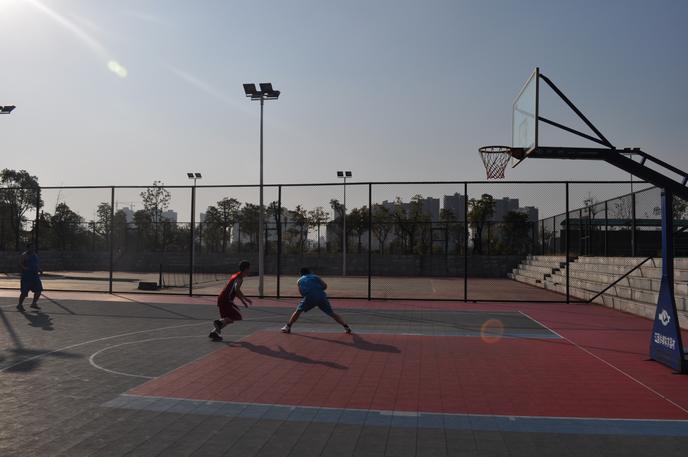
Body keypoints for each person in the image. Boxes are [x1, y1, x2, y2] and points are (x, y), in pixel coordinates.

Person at [281, 267, 351, 334]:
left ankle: (288, 327)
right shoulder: (316, 277)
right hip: (321, 297)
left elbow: (302, 293)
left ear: (301, 273)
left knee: (298, 311)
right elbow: (325, 286)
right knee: (332, 313)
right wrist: (318, 290)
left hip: (310, 297)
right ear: (309, 272)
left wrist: (310, 295)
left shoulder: (299, 280)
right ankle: (346, 327)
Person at [209, 260, 252, 341]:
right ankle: (218, 322)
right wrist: (245, 299)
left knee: (228, 320)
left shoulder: (236, 275)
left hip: (223, 299)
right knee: (237, 316)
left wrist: (243, 301)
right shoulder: (239, 278)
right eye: (249, 268)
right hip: (226, 300)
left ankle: (214, 333)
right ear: (246, 269)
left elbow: (235, 291)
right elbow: (237, 290)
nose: (250, 270)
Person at [17, 243, 42, 312]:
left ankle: (34, 303)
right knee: (24, 292)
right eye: (31, 247)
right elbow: (20, 264)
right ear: (28, 248)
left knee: (38, 290)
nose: (33, 248)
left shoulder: (35, 255)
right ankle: (19, 305)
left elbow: (36, 264)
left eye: (33, 247)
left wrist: (39, 269)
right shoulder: (24, 255)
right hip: (26, 277)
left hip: (35, 276)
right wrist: (24, 268)